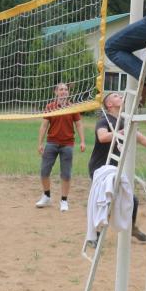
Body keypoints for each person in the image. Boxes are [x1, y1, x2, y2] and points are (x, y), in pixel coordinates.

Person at [90, 92, 146, 242]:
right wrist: (121, 132)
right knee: (105, 201)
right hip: (101, 169)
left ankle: (131, 228)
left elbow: (138, 136)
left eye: (120, 95)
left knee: (133, 200)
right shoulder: (104, 121)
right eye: (116, 96)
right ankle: (95, 235)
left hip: (117, 169)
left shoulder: (126, 120)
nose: (120, 97)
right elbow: (103, 137)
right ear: (109, 104)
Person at [36, 83, 85, 212]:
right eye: (61, 89)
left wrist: (82, 141)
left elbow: (79, 125)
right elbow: (44, 126)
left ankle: (64, 200)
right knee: (44, 172)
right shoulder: (50, 107)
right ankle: (46, 196)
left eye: (65, 89)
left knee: (66, 174)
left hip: (67, 144)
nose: (64, 91)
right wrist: (40, 143)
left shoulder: (73, 107)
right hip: (51, 143)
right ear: (56, 92)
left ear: (68, 92)